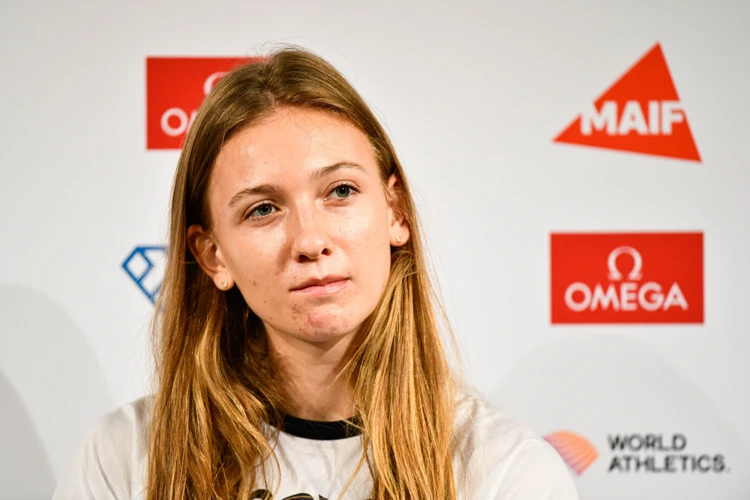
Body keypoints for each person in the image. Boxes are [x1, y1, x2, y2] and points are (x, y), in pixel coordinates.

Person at [53, 46, 579, 500]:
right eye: (263, 209)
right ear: (212, 255)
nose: (309, 240)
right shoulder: (125, 458)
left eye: (341, 192)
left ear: (395, 212)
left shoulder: (504, 469)